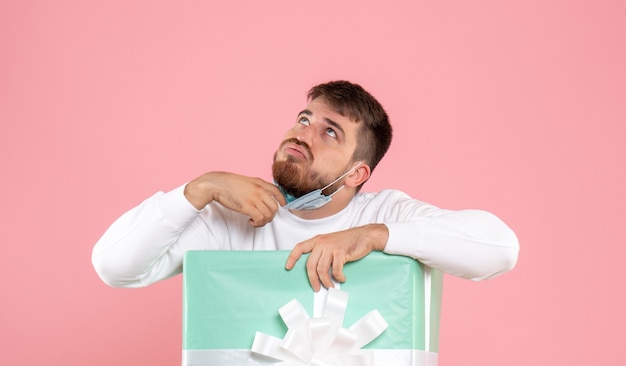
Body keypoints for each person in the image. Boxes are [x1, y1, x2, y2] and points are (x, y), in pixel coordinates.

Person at [92, 80, 519, 291]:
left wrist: (371, 237)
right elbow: (115, 267)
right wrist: (199, 188)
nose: (302, 134)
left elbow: (500, 248)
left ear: (357, 174)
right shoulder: (230, 217)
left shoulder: (383, 214)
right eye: (304, 119)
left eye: (329, 132)